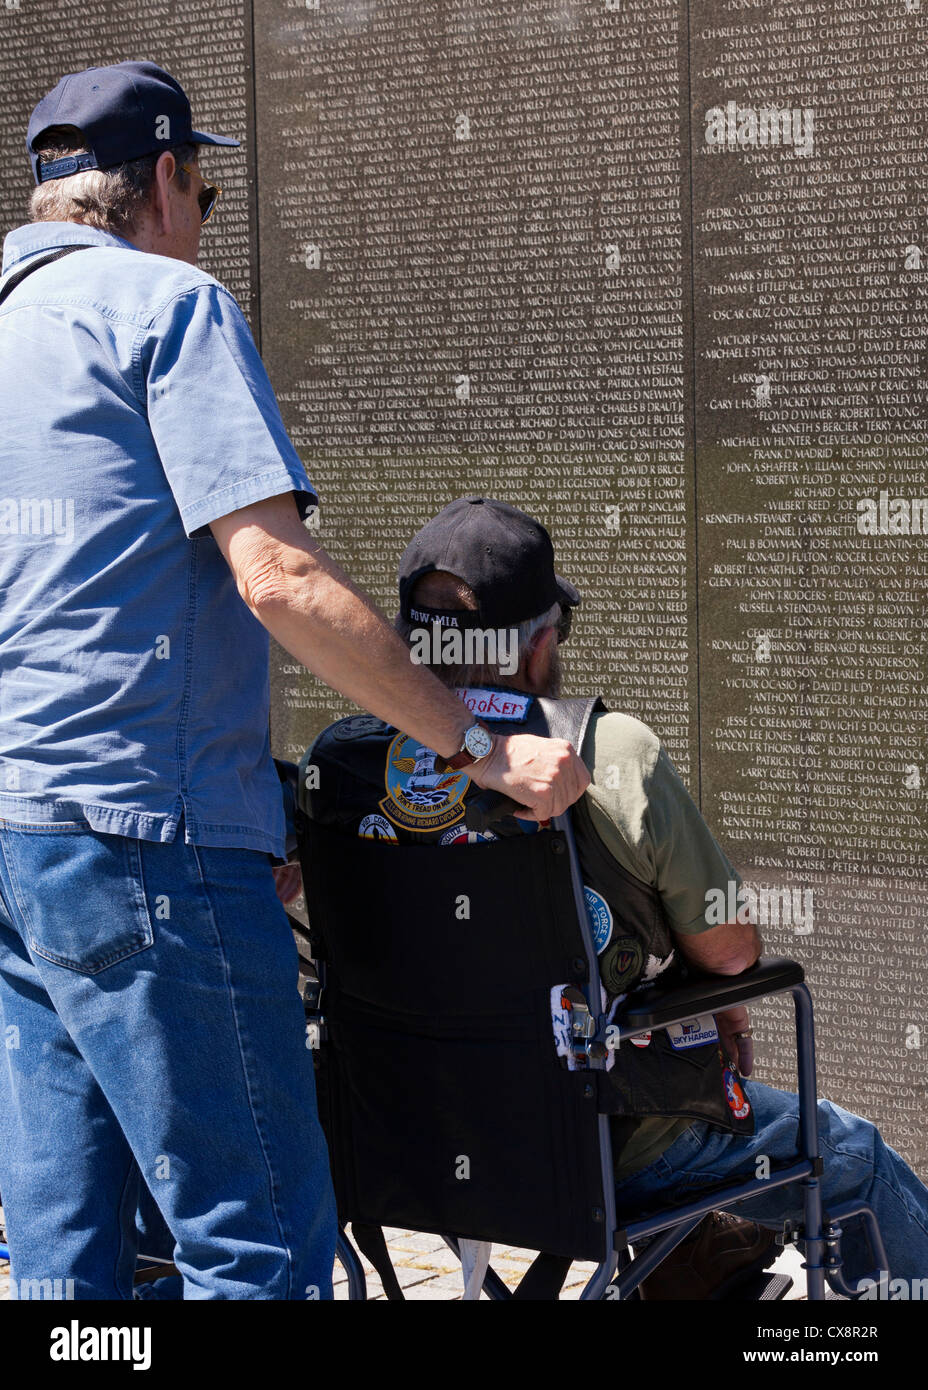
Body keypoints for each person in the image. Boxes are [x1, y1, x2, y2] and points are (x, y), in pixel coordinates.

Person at [0, 64, 589, 1301]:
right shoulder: (169, 303)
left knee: (68, 1253)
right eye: (204, 191)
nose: (201, 214)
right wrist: (480, 749)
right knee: (255, 1238)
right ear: (164, 180)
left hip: (17, 837)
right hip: (149, 836)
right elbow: (274, 577)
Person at [299, 495, 928, 1295]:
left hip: (401, 1144)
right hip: (600, 1149)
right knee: (856, 1156)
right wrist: (719, 1002)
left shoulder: (342, 760)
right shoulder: (606, 751)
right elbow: (732, 953)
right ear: (539, 644)